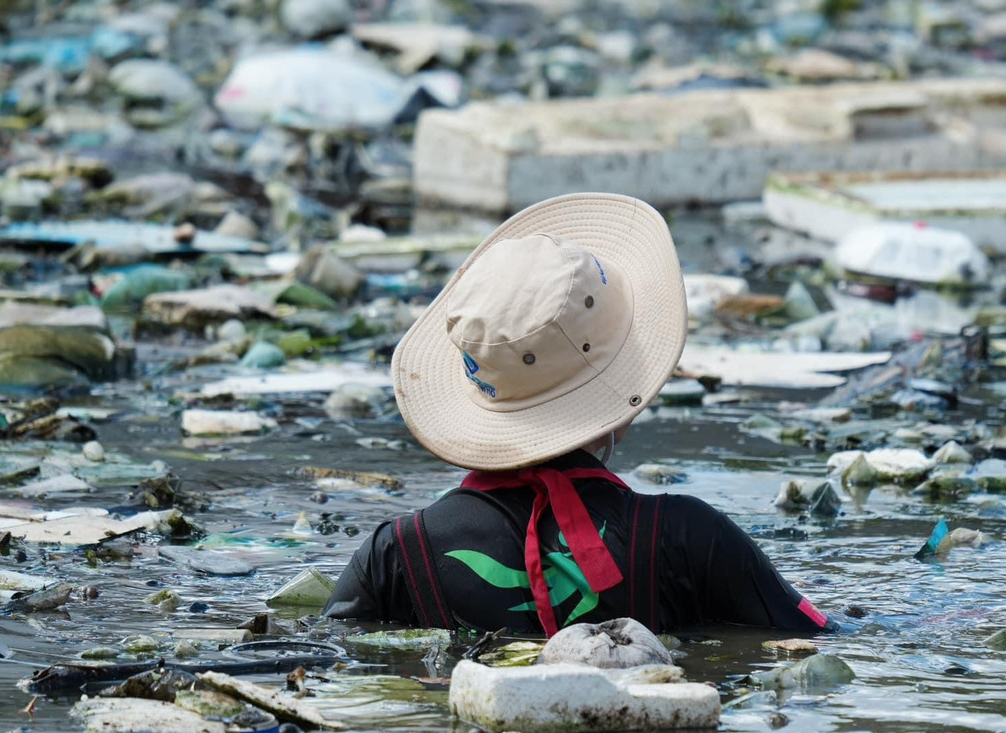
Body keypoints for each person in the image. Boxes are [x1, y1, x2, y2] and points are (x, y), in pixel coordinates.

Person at [323, 193, 836, 637]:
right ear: (625, 389)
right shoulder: (686, 536)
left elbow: (332, 662)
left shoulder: (397, 551)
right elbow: (813, 640)